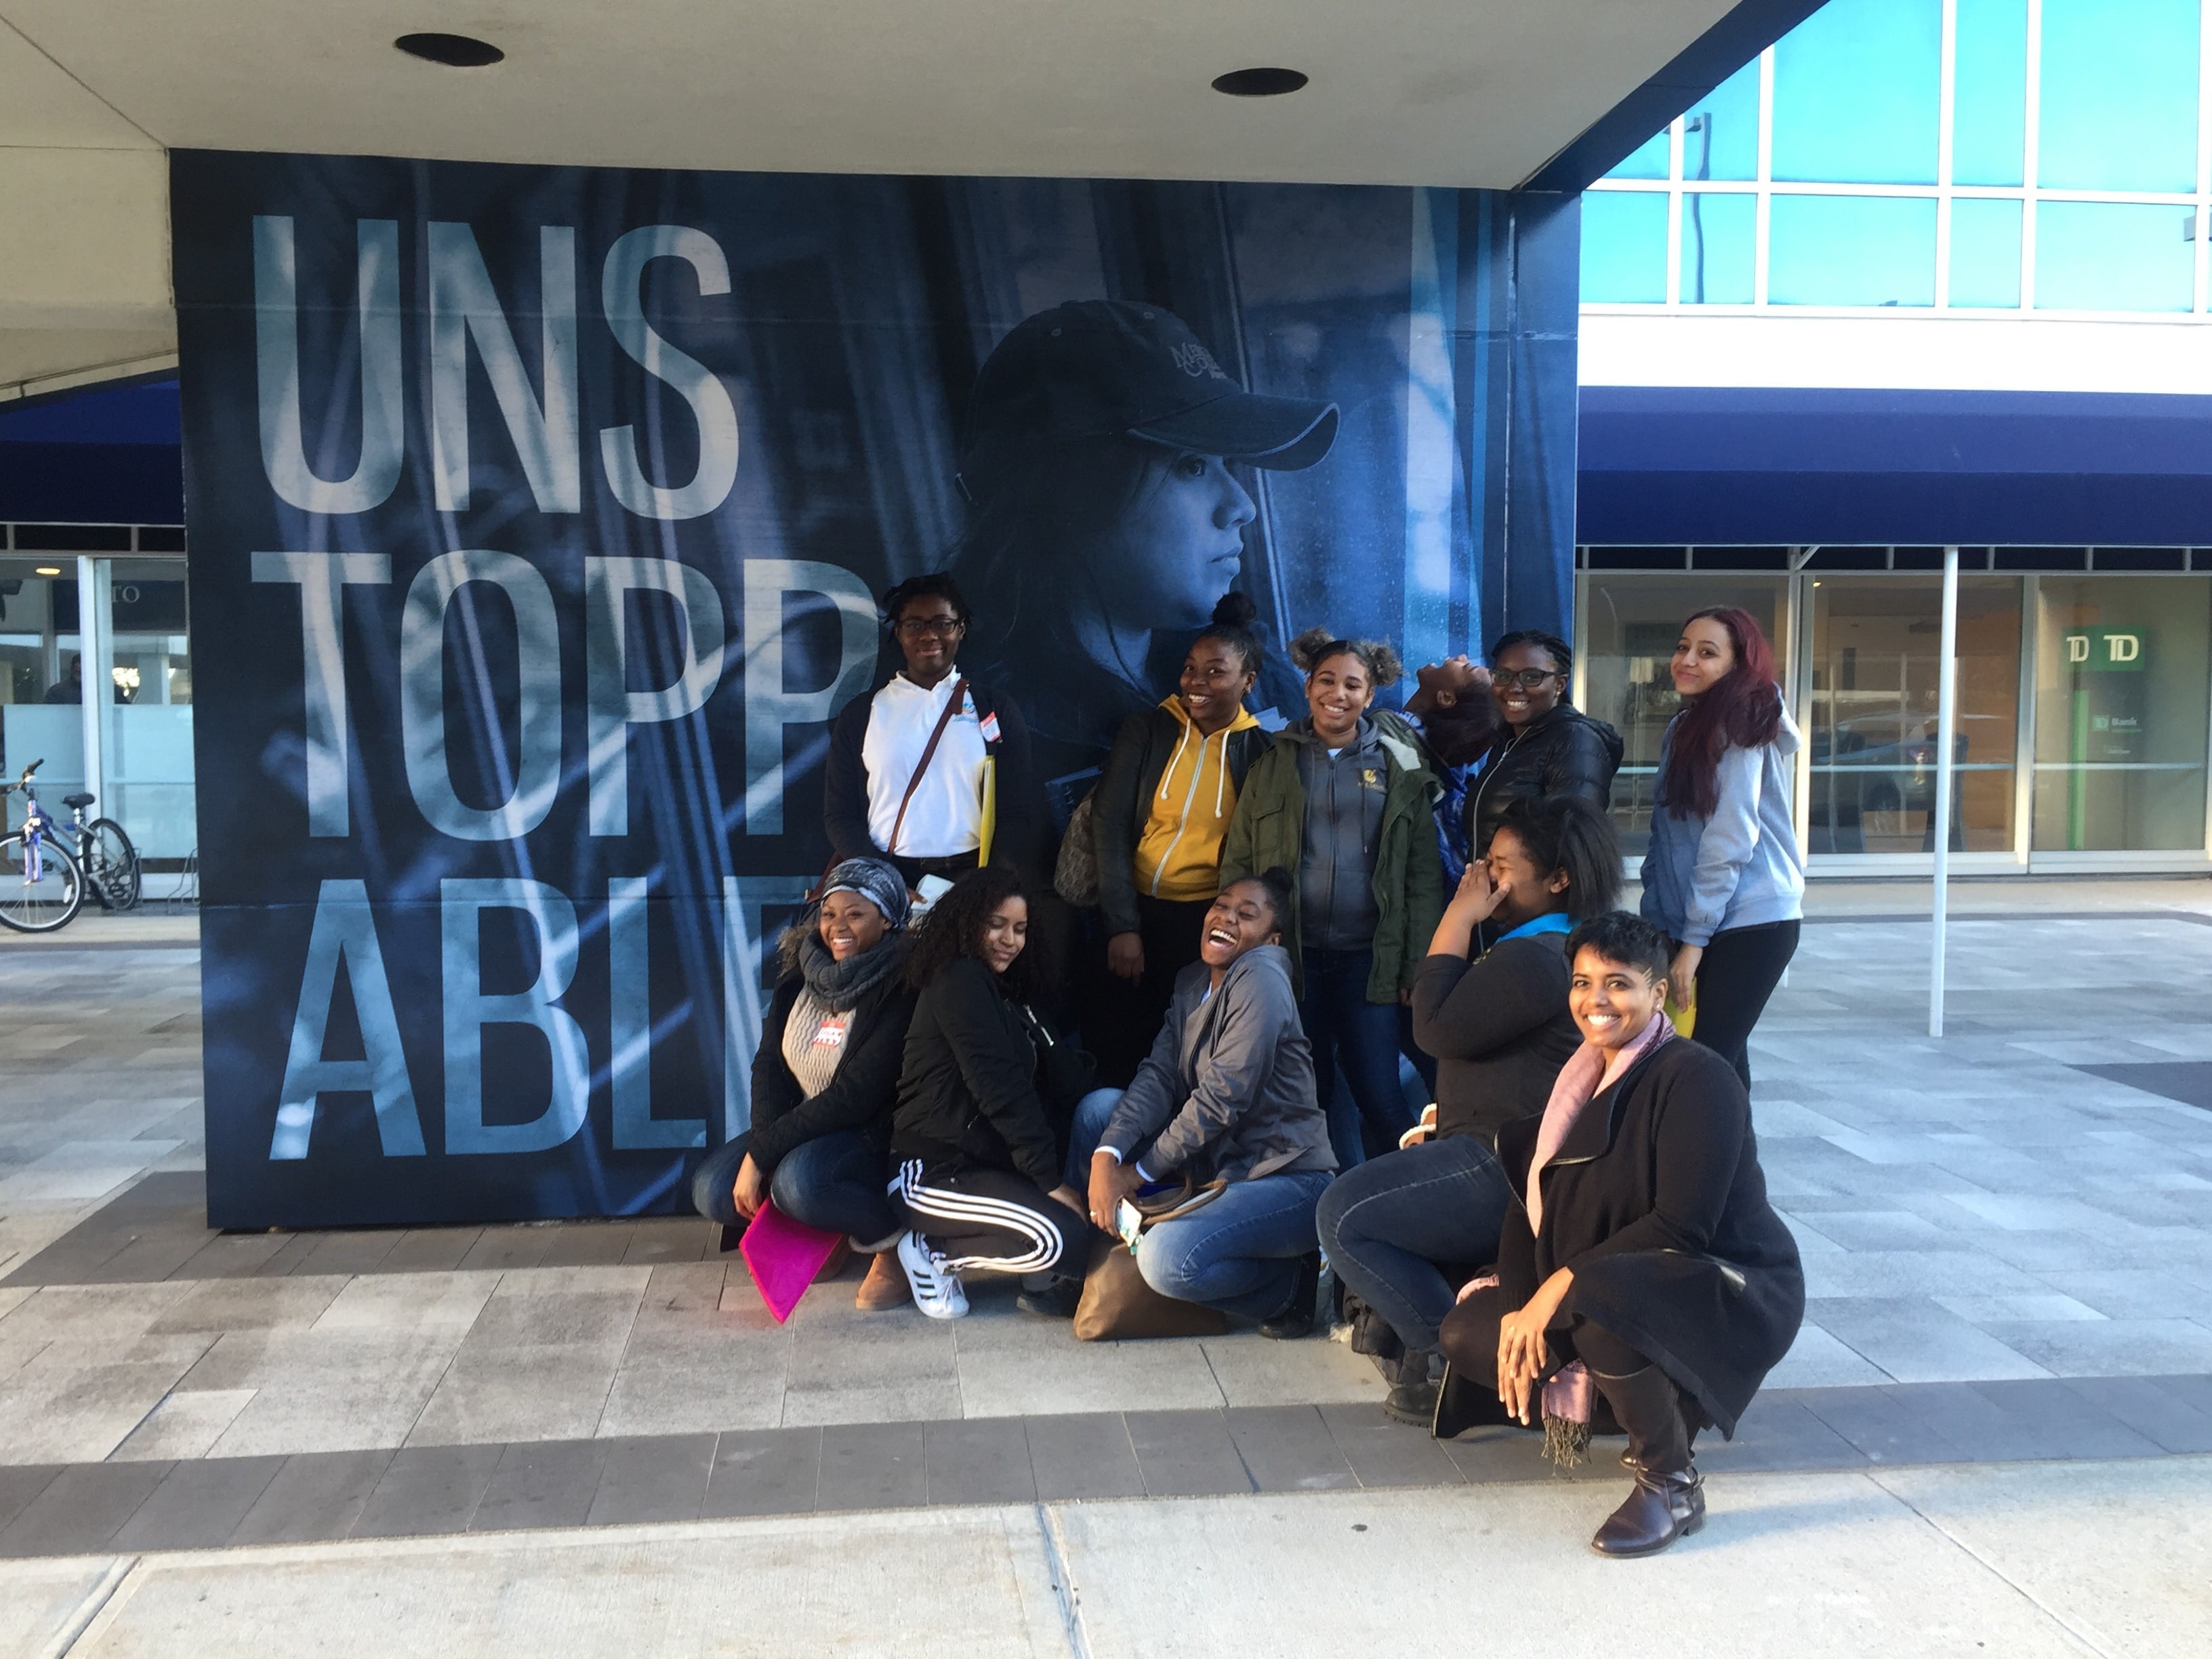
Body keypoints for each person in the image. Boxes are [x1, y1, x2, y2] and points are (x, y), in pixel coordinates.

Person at [1435, 912, 1804, 1557]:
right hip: (1617, 1276)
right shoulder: (1580, 1078)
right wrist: (1525, 1312)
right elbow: (1530, 1206)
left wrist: (1558, 1292)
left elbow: (1681, 1226)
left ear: (1658, 993)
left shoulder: (1697, 1077)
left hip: (1722, 1284)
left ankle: (1671, 1480)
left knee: (1604, 1307)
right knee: (1471, 1333)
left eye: (1618, 983)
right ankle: (1624, 1396)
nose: (1596, 1001)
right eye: (1582, 983)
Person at [1317, 794, 1622, 1421]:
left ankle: (1461, 1356)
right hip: (1493, 1151)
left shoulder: (1539, 958)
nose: (1484, 877)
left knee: (1344, 1216)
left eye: (1503, 866)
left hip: (1496, 1165)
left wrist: (1457, 915)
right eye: (1486, 860)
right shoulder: (1559, 949)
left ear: (1558, 879)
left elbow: (1433, 1028)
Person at [946, 299, 1338, 787]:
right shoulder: (979, 740)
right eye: (1191, 466)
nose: (1241, 506)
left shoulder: (1251, 676)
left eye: (1226, 466)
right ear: (1070, 493)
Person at [1074, 869, 1337, 1335]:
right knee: (1098, 1112)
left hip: (1285, 1181)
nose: (1227, 918)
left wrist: (1135, 1174)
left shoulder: (1262, 976)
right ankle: (1089, 1270)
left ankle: (1288, 1287)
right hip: (1218, 1170)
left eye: (1246, 914)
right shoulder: (1193, 981)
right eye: (1222, 905)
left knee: (1167, 1261)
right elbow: (1158, 1075)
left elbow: (1222, 1099)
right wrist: (1107, 1155)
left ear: (1272, 939)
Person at [1221, 630, 1444, 1169]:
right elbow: (1240, 862)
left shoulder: (1399, 766)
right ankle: (1318, 1216)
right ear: (1307, 687)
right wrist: (1236, 948)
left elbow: (1421, 874)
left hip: (1369, 962)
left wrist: (1418, 964)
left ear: (1370, 696)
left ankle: (1413, 1201)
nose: (1337, 694)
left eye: (1352, 685)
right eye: (1327, 681)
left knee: (1381, 1096)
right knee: (1307, 1096)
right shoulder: (1273, 763)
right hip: (1292, 963)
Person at [688, 859, 920, 1311]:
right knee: (713, 1190)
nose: (838, 926)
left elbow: (857, 1095)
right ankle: (821, 1225)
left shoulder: (904, 984)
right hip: (802, 1123)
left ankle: (892, 1243)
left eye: (856, 914)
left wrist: (764, 1154)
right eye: (830, 913)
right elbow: (769, 1065)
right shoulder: (800, 973)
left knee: (799, 1184)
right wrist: (765, 1144)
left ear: (888, 919)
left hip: (869, 1131)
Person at [885, 867, 1112, 1319]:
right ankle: (933, 1249)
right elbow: (999, 1089)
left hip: (987, 1167)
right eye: (996, 924)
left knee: (1073, 1231)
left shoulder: (1006, 996)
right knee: (1058, 1239)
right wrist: (1049, 1181)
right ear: (966, 921)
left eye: (1021, 929)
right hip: (930, 1172)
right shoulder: (957, 979)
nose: (1011, 939)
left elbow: (1067, 1088)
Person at [1087, 591, 1273, 1079]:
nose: (1197, 682)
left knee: (1191, 1050)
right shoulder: (1148, 730)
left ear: (1248, 681)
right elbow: (1107, 823)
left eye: (1216, 672)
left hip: (1202, 921)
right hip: (1136, 908)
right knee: (1122, 1045)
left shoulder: (1261, 752)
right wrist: (1122, 925)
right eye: (1191, 668)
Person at [1640, 607, 1805, 1091]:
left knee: (1700, 1071)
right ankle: (1735, 1169)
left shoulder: (1738, 724)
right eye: (1683, 647)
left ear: (1737, 665)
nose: (1687, 660)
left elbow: (1729, 838)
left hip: (1752, 921)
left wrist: (1693, 942)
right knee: (1724, 1070)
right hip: (1705, 923)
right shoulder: (1686, 725)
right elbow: (1666, 837)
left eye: (1707, 653)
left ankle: (1711, 1166)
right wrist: (1660, 925)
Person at [823, 573, 1044, 890]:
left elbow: (1017, 812)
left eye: (942, 623)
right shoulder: (862, 714)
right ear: (898, 632)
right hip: (886, 878)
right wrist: (886, 882)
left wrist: (989, 882)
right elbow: (840, 816)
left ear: (961, 630)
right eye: (915, 625)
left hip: (973, 878)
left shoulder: (995, 709)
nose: (929, 635)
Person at [1461, 630, 1622, 864]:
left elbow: (1572, 842)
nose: (1514, 687)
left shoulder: (1575, 740)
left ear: (1559, 684)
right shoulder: (1508, 744)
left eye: (1531, 677)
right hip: (1494, 894)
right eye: (1504, 676)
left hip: (1528, 898)